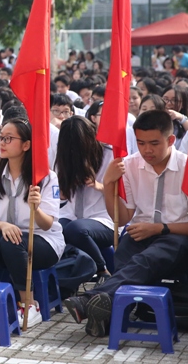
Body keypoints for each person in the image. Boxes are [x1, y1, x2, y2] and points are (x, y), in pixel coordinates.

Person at [63, 110, 188, 337]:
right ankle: (105, 312)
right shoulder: (130, 165)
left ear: (171, 140)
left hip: (181, 240)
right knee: (124, 254)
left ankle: (92, 300)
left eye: (154, 143)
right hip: (142, 233)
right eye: (141, 143)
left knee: (148, 258)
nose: (146, 150)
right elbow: (121, 218)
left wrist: (160, 228)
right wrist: (110, 182)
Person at [0, 118, 64, 329]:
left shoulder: (46, 178)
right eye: (1, 138)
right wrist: (3, 225)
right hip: (8, 236)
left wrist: (36, 208)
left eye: (9, 138)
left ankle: (30, 304)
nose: (2, 143)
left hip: (43, 240)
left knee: (11, 241)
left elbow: (48, 223)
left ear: (26, 145)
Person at [55, 116, 114, 281]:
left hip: (103, 219)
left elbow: (123, 195)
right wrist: (66, 186)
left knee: (75, 230)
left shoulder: (109, 155)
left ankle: (103, 271)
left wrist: (99, 186)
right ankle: (65, 283)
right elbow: (61, 197)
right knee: (54, 230)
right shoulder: (64, 158)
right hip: (71, 214)